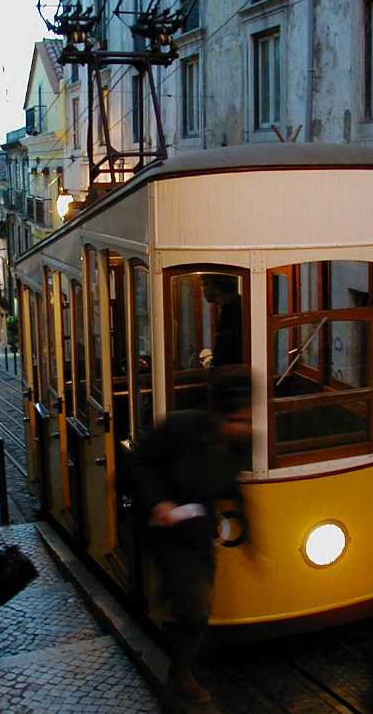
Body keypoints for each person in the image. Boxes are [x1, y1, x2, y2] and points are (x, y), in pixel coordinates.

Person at [127, 366, 251, 705]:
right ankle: (181, 675)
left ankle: (176, 621)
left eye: (246, 421)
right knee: (195, 608)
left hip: (196, 532)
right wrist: (158, 503)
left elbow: (232, 486)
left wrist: (251, 535)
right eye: (237, 420)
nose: (242, 428)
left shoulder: (238, 444)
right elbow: (137, 463)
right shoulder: (181, 427)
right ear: (219, 416)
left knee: (199, 604)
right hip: (163, 531)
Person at [201, 274, 243, 367]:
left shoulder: (235, 312)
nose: (202, 289)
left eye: (205, 284)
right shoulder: (229, 310)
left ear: (218, 285)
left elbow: (226, 354)